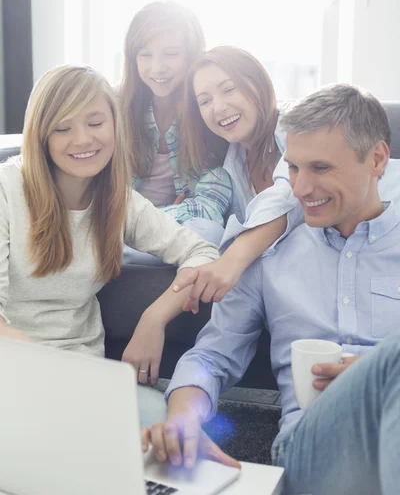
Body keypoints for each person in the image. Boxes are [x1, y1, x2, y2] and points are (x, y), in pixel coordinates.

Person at [143, 84, 400, 495]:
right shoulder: (269, 254)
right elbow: (211, 356)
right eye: (293, 168)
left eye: (320, 168)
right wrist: (183, 419)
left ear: (377, 159)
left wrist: (374, 375)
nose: (299, 190)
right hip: (316, 449)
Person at [0, 64, 220, 425]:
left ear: (115, 125)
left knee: (158, 424)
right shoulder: (7, 191)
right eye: (63, 127)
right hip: (15, 373)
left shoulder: (119, 200)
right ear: (42, 135)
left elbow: (202, 252)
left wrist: (153, 319)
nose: (84, 140)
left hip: (84, 375)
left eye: (96, 122)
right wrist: (44, 376)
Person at [173, 46, 300, 312]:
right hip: (263, 293)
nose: (218, 108)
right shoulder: (231, 165)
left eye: (229, 89)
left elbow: (292, 193)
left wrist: (232, 260)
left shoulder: (297, 124)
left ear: (258, 82)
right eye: (205, 101)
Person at [119, 2, 233, 266]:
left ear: (192, 55)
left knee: (210, 232)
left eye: (171, 54)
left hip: (171, 232)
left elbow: (210, 206)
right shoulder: (116, 107)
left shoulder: (209, 112)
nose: (157, 68)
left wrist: (144, 219)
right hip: (118, 231)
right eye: (145, 55)